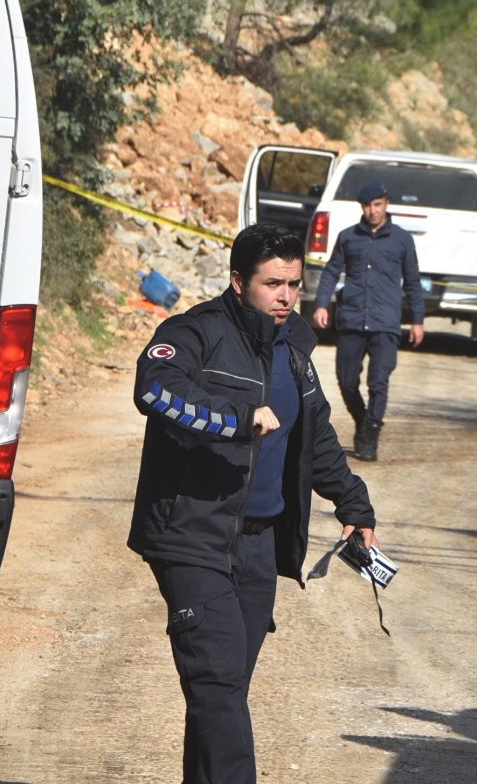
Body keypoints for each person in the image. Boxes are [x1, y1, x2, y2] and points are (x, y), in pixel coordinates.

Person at [129, 221, 379, 784]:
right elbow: (154, 389)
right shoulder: (194, 332)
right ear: (239, 281)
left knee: (223, 694)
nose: (286, 296)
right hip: (192, 536)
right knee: (216, 682)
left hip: (258, 543)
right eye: (273, 284)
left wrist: (354, 507)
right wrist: (236, 419)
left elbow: (315, 437)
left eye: (294, 283)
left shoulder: (293, 347)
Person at [311, 179, 425, 462]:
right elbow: (330, 272)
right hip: (351, 321)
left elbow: (413, 282)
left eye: (377, 205)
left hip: (385, 324)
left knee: (378, 382)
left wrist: (418, 321)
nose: (373, 211)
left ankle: (369, 437)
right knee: (346, 381)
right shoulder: (348, 237)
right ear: (362, 207)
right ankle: (364, 422)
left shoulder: (402, 240)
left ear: (386, 204)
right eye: (368, 206)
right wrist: (321, 304)